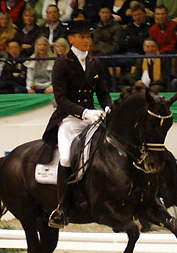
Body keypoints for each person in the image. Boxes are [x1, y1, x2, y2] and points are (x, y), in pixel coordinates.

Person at [44, 20, 112, 228]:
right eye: (82, 37)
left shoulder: (95, 63)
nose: (86, 41)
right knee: (66, 158)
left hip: (93, 118)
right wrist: (84, 113)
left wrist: (108, 108)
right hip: (69, 120)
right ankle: (62, 208)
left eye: (88, 37)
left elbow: (103, 92)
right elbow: (61, 99)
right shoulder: (62, 64)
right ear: (72, 39)